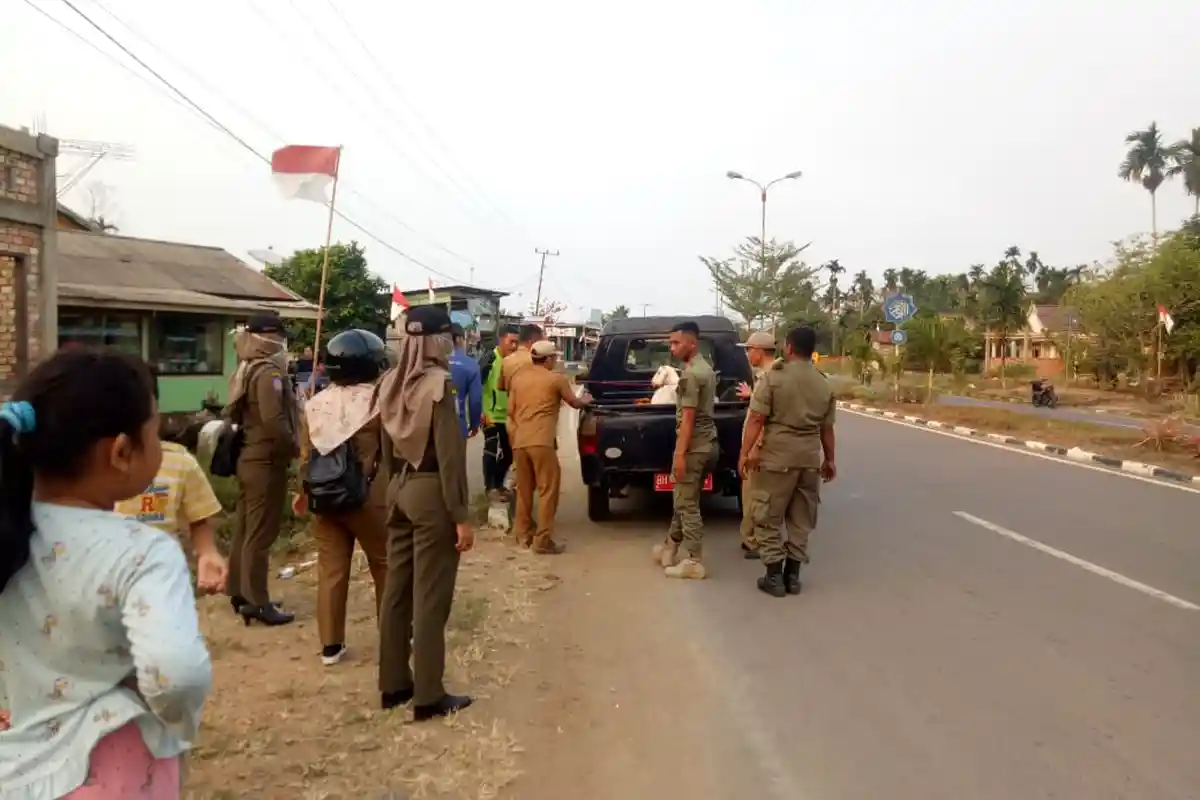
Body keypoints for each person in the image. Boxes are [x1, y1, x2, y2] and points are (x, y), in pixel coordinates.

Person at [0, 349, 212, 798]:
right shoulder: (142, 551)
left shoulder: (7, 537)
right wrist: (175, 719)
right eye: (154, 431)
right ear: (121, 451)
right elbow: (176, 675)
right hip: (114, 773)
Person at [376, 305, 476, 721]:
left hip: (398, 490)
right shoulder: (440, 385)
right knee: (431, 599)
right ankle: (428, 694)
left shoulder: (390, 383)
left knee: (396, 594)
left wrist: (391, 490)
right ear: (438, 340)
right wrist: (461, 515)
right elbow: (451, 459)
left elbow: (384, 452)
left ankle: (393, 684)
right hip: (432, 494)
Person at [293, 329, 391, 666]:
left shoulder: (315, 404)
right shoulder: (380, 401)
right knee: (385, 566)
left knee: (331, 571)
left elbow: (305, 456)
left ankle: (330, 647)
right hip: (369, 496)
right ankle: (392, 638)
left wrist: (302, 491)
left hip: (324, 495)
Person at [739, 326, 836, 598]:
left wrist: (745, 453)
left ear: (789, 348)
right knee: (801, 519)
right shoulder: (823, 383)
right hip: (809, 460)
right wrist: (830, 460)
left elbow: (756, 419)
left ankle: (774, 577)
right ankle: (793, 577)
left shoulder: (773, 379)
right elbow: (827, 429)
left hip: (776, 458)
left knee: (766, 516)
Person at [115, 369, 229, 595]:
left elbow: (198, 520)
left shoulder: (179, 462)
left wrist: (207, 552)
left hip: (162, 582)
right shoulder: (85, 468)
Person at [225, 312, 299, 626]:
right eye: (279, 335)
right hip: (266, 460)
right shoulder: (268, 372)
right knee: (260, 534)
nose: (282, 341)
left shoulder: (246, 367)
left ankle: (239, 591)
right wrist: (295, 448)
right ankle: (257, 601)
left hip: (248, 456)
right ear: (268, 337)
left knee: (245, 528)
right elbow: (274, 421)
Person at [507, 341, 592, 553]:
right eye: (554, 357)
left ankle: (523, 534)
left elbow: (511, 411)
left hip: (519, 441)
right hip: (542, 442)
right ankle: (543, 540)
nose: (556, 361)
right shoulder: (556, 380)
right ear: (547, 360)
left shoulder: (518, 379)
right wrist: (586, 399)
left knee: (524, 490)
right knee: (548, 490)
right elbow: (574, 403)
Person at [652, 320, 718, 579]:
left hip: (694, 447)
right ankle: (670, 547)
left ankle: (693, 561)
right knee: (684, 498)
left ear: (692, 342)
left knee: (687, 504)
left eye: (676, 342)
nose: (672, 347)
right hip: (708, 443)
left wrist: (679, 455)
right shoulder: (704, 368)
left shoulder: (691, 375)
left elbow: (688, 418)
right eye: (670, 342)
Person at [735, 331, 777, 560]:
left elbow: (763, 418)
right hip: (765, 447)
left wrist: (752, 449)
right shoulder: (769, 376)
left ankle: (755, 541)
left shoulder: (768, 378)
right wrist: (752, 396)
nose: (747, 354)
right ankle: (752, 538)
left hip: (759, 447)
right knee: (752, 494)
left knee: (755, 495)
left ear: (759, 351)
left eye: (749, 349)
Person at [480, 326, 519, 501]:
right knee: (491, 451)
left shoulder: (514, 362)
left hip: (508, 417)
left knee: (509, 454)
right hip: (490, 415)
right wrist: (481, 412)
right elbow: (476, 386)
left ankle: (499, 484)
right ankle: (490, 488)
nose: (514, 346)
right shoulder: (489, 359)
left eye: (516, 342)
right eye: (511, 341)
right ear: (501, 340)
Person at [448, 324, 482, 438]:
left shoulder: (432, 361)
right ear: (459, 339)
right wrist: (474, 424)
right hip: (457, 427)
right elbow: (475, 401)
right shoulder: (471, 365)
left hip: (428, 429)